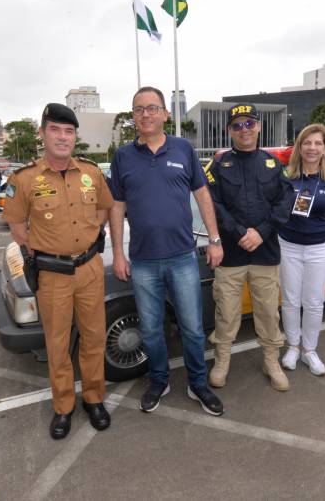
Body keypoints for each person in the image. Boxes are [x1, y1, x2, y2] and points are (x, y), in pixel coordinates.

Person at [109, 86, 225, 416]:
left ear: (165, 113)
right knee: (150, 329)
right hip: (143, 261)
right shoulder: (123, 157)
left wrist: (214, 239)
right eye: (138, 109)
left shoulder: (184, 149)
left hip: (182, 257)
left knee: (190, 327)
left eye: (152, 108)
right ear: (134, 117)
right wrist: (118, 252)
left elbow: (203, 197)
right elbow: (116, 207)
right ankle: (159, 380)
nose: (145, 114)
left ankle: (198, 383)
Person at [2, 103, 113, 439]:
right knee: (57, 343)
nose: (63, 137)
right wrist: (48, 249)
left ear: (75, 136)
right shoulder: (23, 179)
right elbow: (17, 226)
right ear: (43, 134)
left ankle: (94, 399)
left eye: (68, 131)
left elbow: (106, 209)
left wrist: (87, 239)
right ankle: (63, 407)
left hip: (91, 268)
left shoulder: (92, 173)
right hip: (52, 275)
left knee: (94, 338)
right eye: (55, 130)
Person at [206, 103, 295, 391]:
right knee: (227, 313)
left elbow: (285, 202)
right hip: (231, 254)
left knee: (269, 313)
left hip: (265, 253)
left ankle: (271, 360)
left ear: (258, 126)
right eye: (237, 125)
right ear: (229, 131)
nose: (243, 130)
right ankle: (222, 361)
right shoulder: (219, 165)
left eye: (248, 124)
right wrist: (240, 233)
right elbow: (213, 205)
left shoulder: (273, 163)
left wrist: (262, 232)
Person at [277, 124, 325, 377]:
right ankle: (293, 346)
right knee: (291, 300)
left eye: (318, 143)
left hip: (320, 247)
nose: (312, 148)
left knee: (314, 302)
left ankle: (309, 350)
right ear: (299, 147)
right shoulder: (286, 175)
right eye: (307, 143)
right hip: (289, 246)